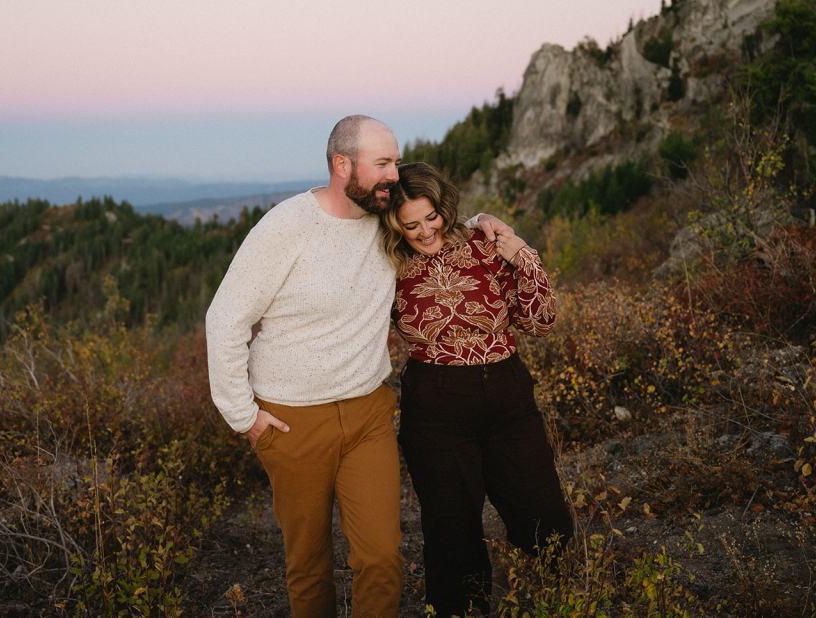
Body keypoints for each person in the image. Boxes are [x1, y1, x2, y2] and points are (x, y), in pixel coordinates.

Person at [206, 116, 506, 617]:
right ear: (342, 165)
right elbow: (225, 318)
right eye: (383, 163)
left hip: (368, 414)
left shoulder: (384, 221)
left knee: (382, 557)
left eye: (395, 160)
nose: (394, 173)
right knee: (308, 563)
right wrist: (243, 416)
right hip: (291, 419)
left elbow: (430, 229)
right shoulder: (286, 226)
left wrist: (482, 223)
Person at [381, 162, 573, 617]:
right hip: (436, 407)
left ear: (444, 208)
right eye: (411, 225)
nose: (425, 232)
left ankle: (563, 601)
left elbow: (540, 323)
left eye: (432, 218)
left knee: (543, 515)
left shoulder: (485, 246)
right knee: (452, 533)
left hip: (506, 394)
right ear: (394, 226)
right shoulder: (388, 266)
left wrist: (523, 254)